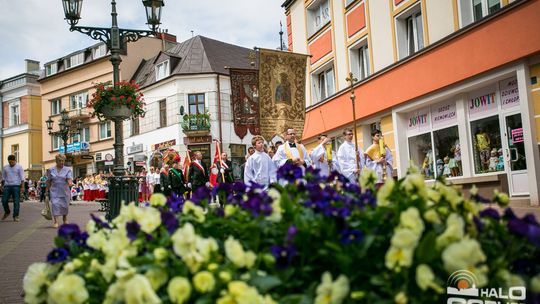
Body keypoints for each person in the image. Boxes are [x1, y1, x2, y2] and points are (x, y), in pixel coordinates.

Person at [45, 154, 73, 228]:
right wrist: (46, 191)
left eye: (63, 161)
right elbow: (48, 181)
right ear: (56, 161)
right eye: (60, 161)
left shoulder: (67, 169)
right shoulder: (51, 170)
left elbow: (69, 178)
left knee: (65, 205)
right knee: (55, 205)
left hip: (64, 190)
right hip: (54, 191)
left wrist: (70, 183)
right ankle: (56, 221)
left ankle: (65, 218)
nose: (62, 162)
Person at [1, 155, 25, 222]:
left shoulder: (19, 167)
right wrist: (1, 186)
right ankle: (7, 211)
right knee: (4, 200)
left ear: (15, 160)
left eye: (12, 162)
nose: (11, 164)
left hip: (16, 186)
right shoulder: (5, 167)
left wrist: (22, 187)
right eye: (9, 162)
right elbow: (3, 178)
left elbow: (22, 178)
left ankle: (16, 216)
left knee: (16, 201)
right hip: (7, 186)